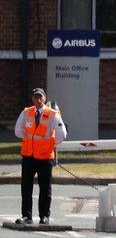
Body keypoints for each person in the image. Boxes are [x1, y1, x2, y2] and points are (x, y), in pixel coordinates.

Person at [13, 88, 66, 226]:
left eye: (40, 97)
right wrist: (28, 138)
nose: (38, 100)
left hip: (44, 157)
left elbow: (62, 134)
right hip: (28, 156)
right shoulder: (26, 112)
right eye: (36, 97)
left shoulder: (53, 114)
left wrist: (49, 144)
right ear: (33, 99)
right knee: (26, 187)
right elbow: (18, 130)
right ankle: (26, 216)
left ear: (44, 98)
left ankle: (44, 216)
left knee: (45, 188)